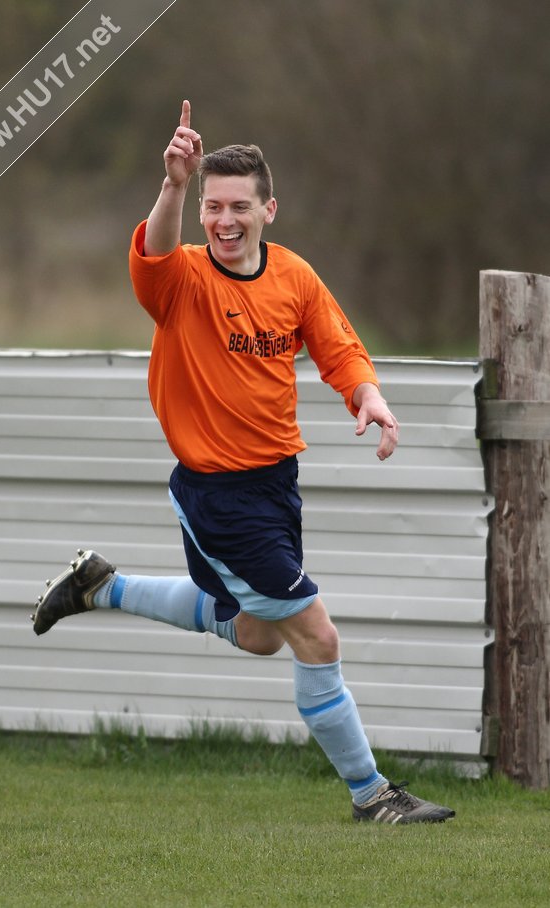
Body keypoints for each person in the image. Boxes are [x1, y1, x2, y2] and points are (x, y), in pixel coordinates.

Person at [32, 100, 454, 825]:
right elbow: (156, 253)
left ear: (268, 210)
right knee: (316, 635)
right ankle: (373, 796)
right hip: (218, 497)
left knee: (259, 634)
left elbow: (337, 346)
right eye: (211, 205)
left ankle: (102, 586)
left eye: (238, 207)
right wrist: (171, 184)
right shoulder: (182, 280)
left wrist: (369, 398)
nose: (223, 220)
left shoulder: (292, 275)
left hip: (275, 486)